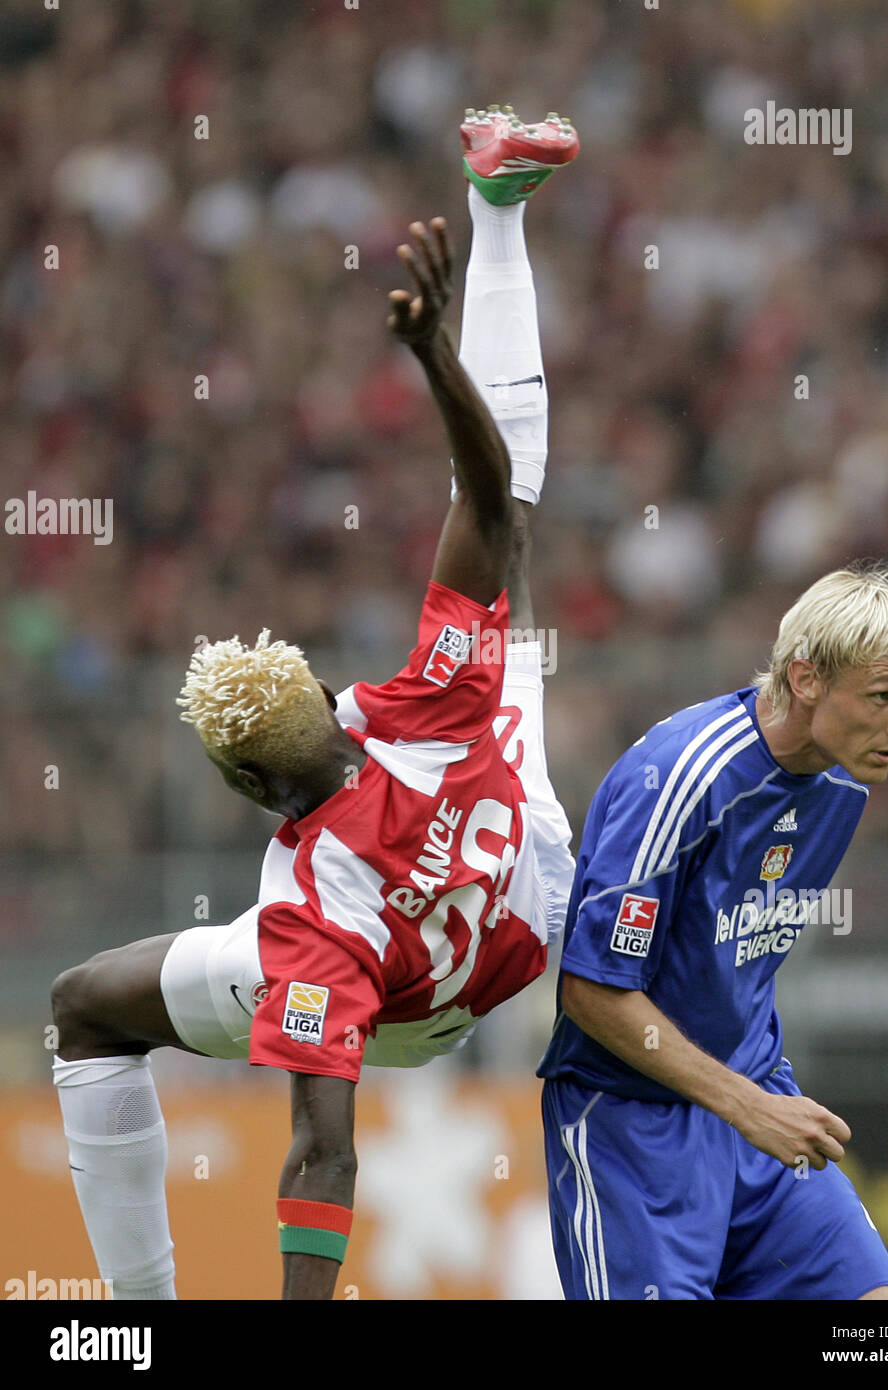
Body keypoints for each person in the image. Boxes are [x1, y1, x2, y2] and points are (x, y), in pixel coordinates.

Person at [50, 108, 578, 1301]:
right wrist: (432, 358)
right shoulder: (427, 697)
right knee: (506, 522)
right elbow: (486, 493)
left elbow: (324, 1149)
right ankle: (498, 209)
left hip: (412, 1009)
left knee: (85, 1009)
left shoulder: (306, 917)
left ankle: (138, 1323)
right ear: (345, 714)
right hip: (528, 881)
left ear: (247, 787)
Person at [538, 567, 888, 1300]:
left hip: (756, 1111)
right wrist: (747, 1106)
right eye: (883, 699)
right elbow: (591, 992)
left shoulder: (845, 777)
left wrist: (754, 1100)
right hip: (630, 1129)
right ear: (805, 677)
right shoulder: (680, 777)